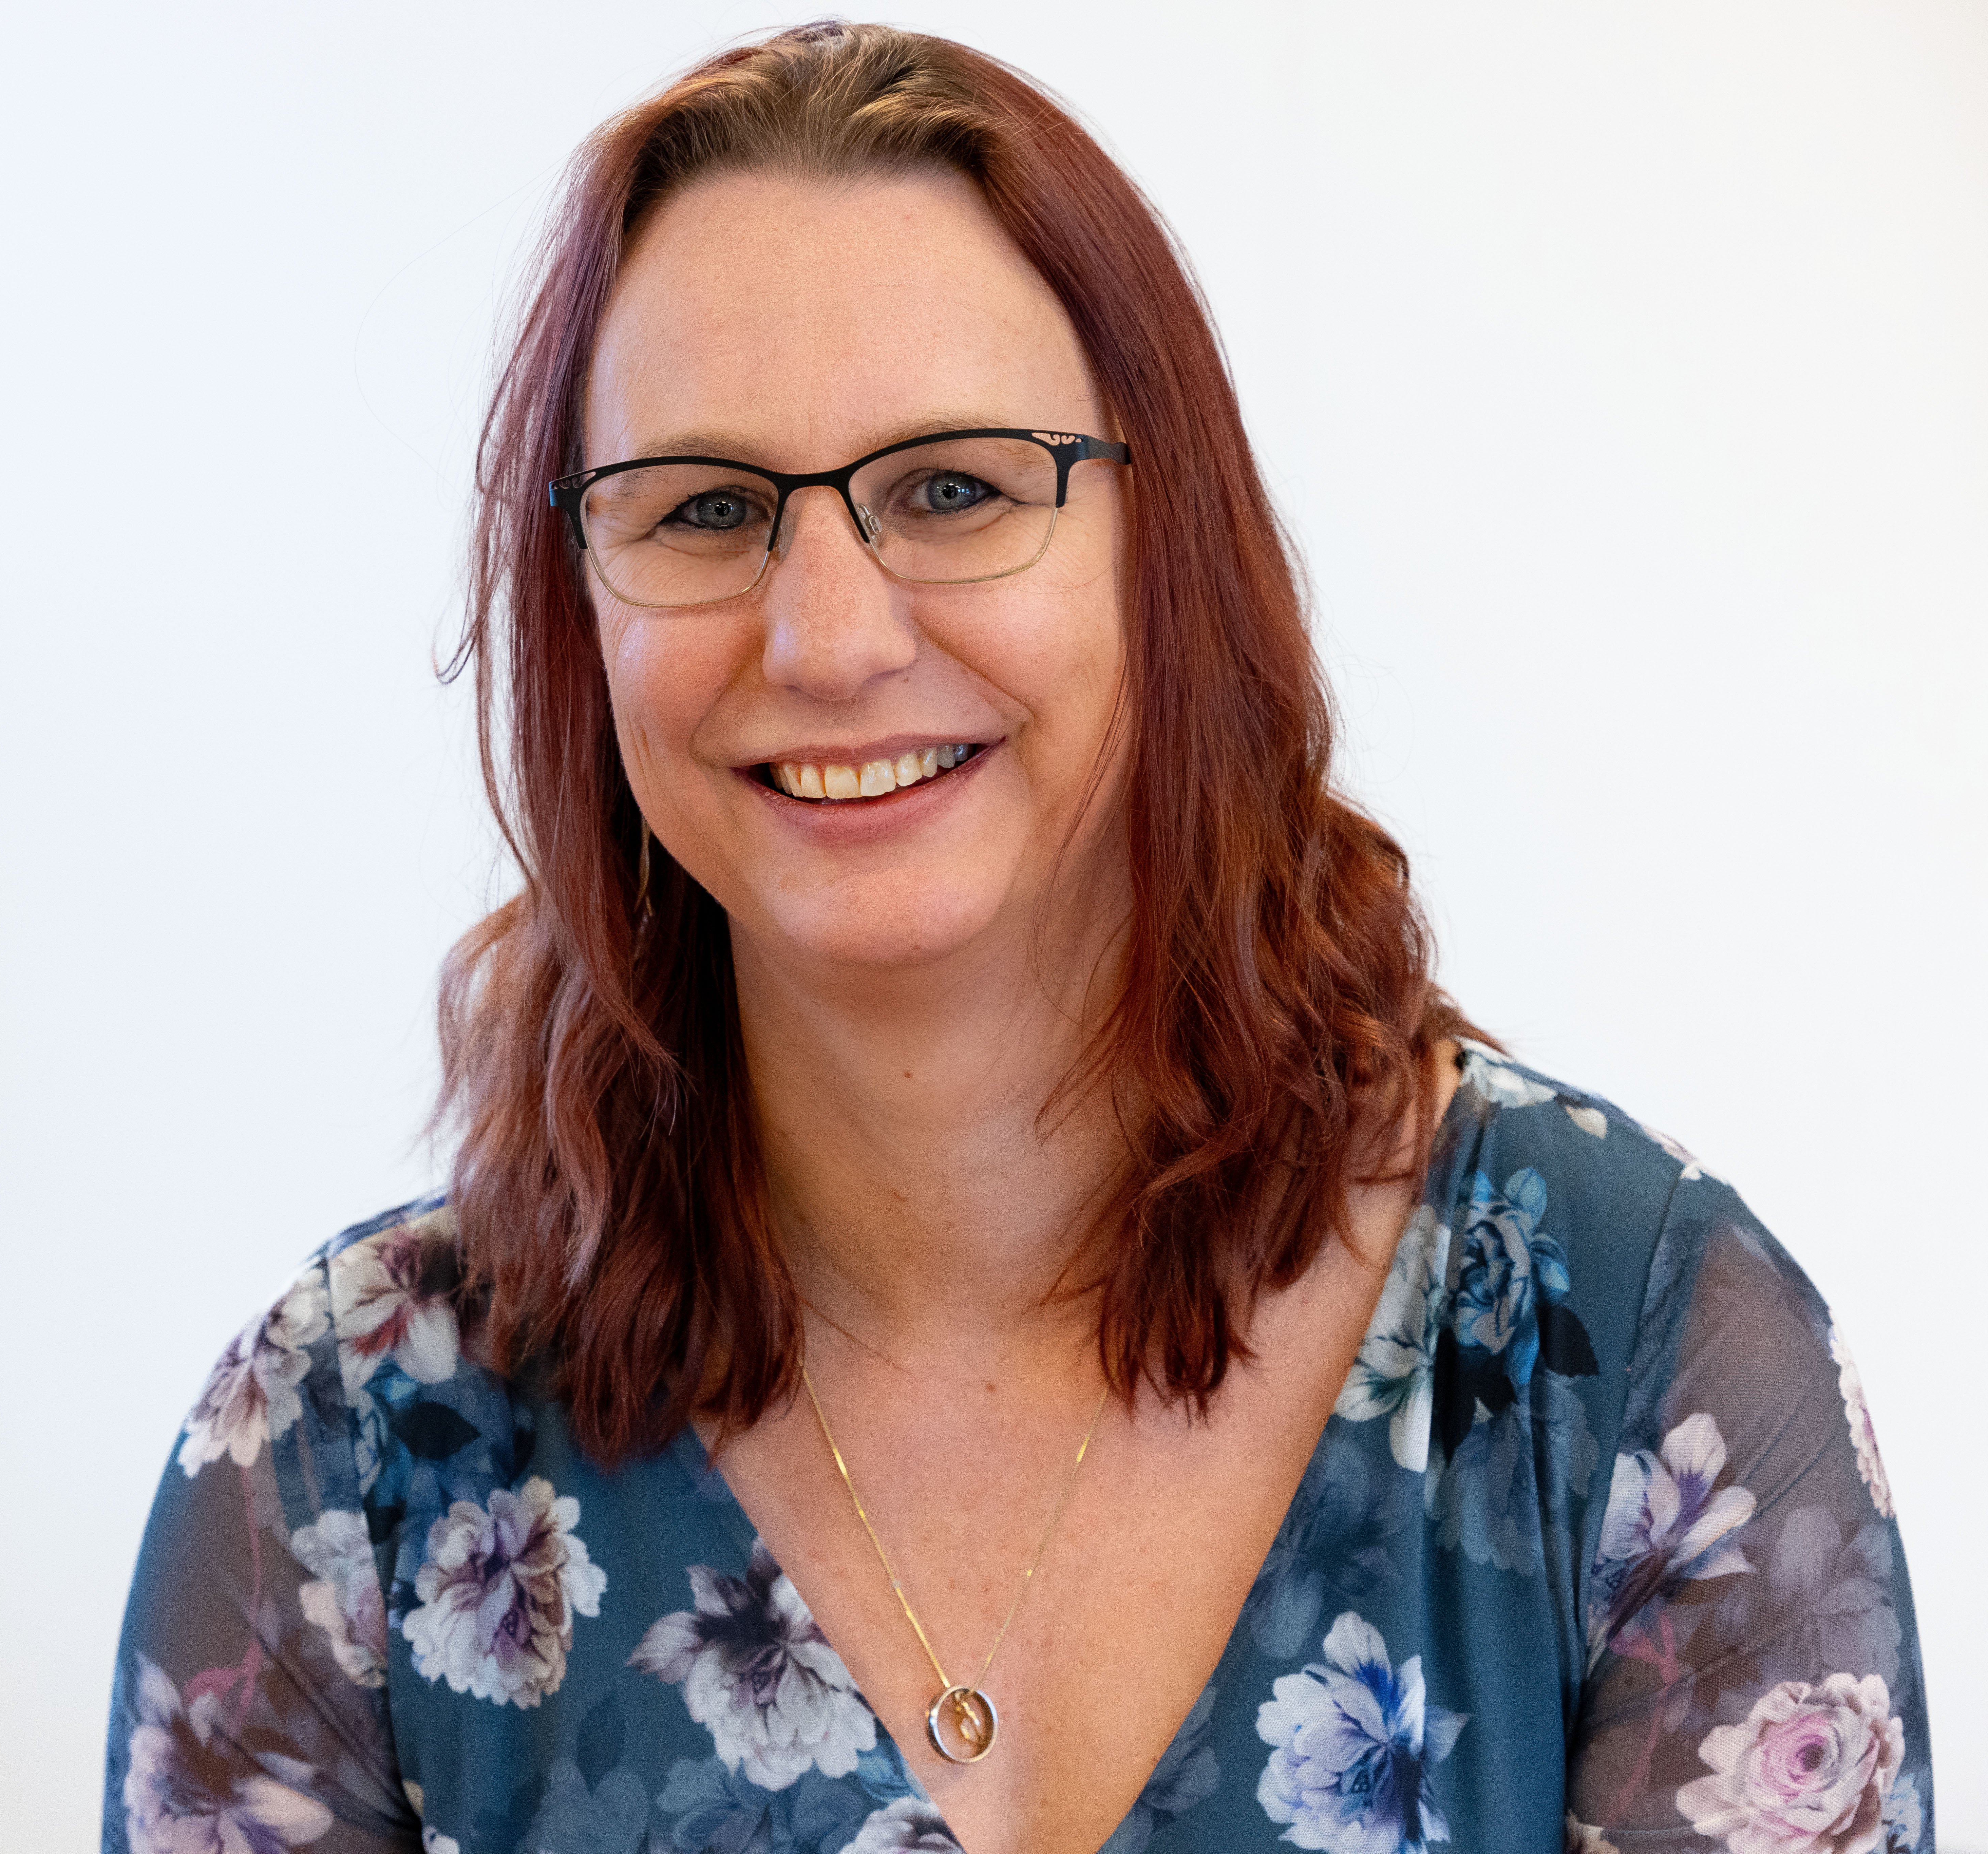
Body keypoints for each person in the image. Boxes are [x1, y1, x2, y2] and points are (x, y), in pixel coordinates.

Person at [102, 23, 1930, 1854]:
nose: (824, 635)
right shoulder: (340, 1468)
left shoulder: (1631, 1360)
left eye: (956, 487)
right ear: (579, 613)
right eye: (709, 508)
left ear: (1172, 547)